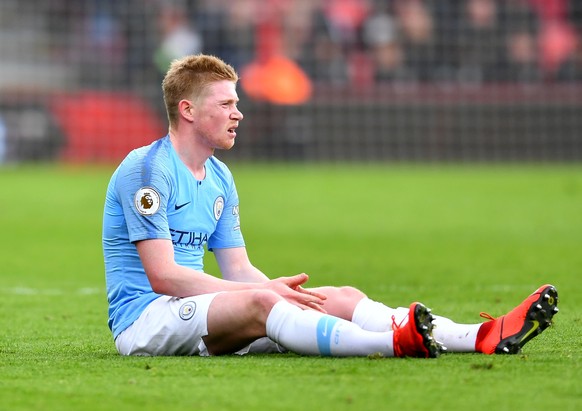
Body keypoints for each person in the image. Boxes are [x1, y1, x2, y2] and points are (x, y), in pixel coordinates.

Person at [102, 54, 559, 358]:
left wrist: (292, 294)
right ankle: (391, 344)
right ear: (187, 110)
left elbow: (238, 269)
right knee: (264, 300)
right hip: (147, 318)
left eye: (237, 103)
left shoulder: (219, 176)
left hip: (202, 311)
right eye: (226, 104)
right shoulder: (147, 170)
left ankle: (478, 335)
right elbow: (165, 276)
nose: (238, 113)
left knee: (337, 297)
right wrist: (267, 294)